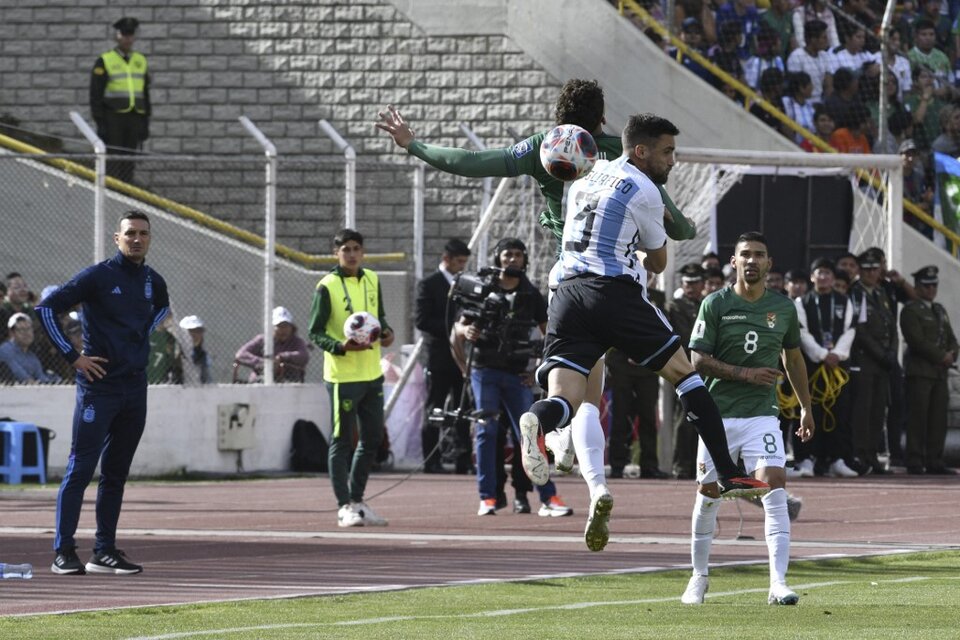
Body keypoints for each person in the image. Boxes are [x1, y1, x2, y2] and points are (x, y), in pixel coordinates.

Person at [377, 79, 699, 484]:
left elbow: (471, 162)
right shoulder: (620, 151)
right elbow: (678, 224)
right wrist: (682, 226)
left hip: (567, 279)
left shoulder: (543, 146)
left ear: (558, 117)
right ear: (601, 118)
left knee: (575, 377)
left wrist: (414, 144)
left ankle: (560, 433)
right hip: (619, 280)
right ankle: (584, 462)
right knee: (636, 380)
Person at [515, 114, 769, 553]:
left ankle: (539, 420)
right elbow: (657, 264)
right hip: (613, 293)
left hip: (568, 293)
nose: (673, 160)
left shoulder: (583, 177)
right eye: (667, 151)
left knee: (567, 398)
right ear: (641, 151)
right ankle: (727, 472)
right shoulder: (646, 190)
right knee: (686, 375)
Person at [680, 231, 814, 606]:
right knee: (709, 495)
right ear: (734, 262)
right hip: (716, 415)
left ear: (769, 264)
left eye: (759, 254)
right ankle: (699, 577)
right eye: (745, 255)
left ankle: (778, 583)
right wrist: (745, 374)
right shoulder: (715, 303)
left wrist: (806, 406)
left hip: (762, 416)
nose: (752, 260)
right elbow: (698, 360)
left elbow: (794, 358)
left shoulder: (784, 308)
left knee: (774, 488)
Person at [37, 210, 170, 575]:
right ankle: (63, 551)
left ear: (149, 238)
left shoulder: (152, 281)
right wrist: (73, 357)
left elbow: (162, 309)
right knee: (80, 468)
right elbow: (46, 309)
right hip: (99, 388)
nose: (137, 239)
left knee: (116, 473)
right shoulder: (97, 276)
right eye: (130, 234)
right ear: (117, 238)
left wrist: (142, 333)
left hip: (135, 387)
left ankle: (104, 550)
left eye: (143, 233)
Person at [453, 238, 571, 517]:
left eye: (518, 255)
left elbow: (550, 336)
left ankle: (548, 497)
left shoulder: (531, 295)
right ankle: (488, 498)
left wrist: (536, 371)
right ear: (498, 257)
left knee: (530, 433)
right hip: (485, 370)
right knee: (486, 431)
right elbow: (457, 330)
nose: (512, 260)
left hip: (518, 373)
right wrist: (465, 338)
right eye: (507, 254)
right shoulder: (483, 289)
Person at [308, 229, 395, 528]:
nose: (352, 254)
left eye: (357, 248)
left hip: (372, 372)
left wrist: (386, 332)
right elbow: (314, 331)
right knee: (342, 440)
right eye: (346, 249)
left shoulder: (372, 278)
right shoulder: (327, 286)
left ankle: (357, 500)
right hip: (343, 376)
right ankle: (343, 505)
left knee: (372, 438)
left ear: (363, 251)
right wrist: (339, 346)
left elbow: (379, 318)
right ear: (336, 253)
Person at [793, 258, 860, 477]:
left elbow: (850, 330)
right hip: (812, 368)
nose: (823, 277)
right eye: (819, 273)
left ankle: (836, 459)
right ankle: (806, 459)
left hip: (837, 368)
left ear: (833, 278)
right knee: (810, 411)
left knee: (839, 412)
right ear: (812, 277)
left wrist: (836, 355)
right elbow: (802, 333)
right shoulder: (802, 302)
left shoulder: (844, 300)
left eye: (827, 273)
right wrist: (822, 355)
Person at [415, 238, 472, 474]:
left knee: (464, 408)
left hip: (462, 359)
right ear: (446, 259)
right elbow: (422, 320)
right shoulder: (429, 285)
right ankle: (432, 459)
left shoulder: (466, 284)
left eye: (464, 262)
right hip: (438, 357)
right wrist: (455, 327)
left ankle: (463, 460)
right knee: (435, 408)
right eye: (459, 262)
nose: (462, 267)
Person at [899, 266, 958, 474]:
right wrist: (941, 356)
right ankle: (915, 459)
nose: (931, 289)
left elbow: (951, 338)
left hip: (939, 373)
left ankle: (935, 459)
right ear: (917, 287)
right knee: (918, 417)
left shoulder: (939, 309)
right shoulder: (911, 310)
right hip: (920, 371)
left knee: (938, 418)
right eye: (926, 285)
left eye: (934, 285)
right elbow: (916, 340)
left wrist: (952, 353)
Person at [846, 248, 897, 474]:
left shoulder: (881, 293)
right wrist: (881, 354)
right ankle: (861, 455)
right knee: (863, 410)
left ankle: (873, 454)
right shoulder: (856, 293)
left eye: (875, 269)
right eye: (866, 269)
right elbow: (861, 330)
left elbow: (891, 325)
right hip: (865, 359)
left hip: (883, 361)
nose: (871, 273)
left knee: (878, 411)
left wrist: (892, 352)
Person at [90, 17, 151, 183]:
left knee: (129, 160)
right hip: (113, 117)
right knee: (113, 160)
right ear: (117, 35)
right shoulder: (105, 60)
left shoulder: (140, 60)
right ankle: (111, 193)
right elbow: (96, 94)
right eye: (124, 34)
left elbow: (145, 93)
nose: (127, 38)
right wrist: (101, 123)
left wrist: (145, 122)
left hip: (134, 116)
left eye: (130, 34)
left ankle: (126, 194)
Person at [667, 263, 706, 479]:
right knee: (684, 418)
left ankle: (697, 465)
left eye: (696, 282)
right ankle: (681, 465)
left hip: (706, 368)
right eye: (687, 283)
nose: (691, 287)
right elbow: (683, 335)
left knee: (704, 418)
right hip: (683, 368)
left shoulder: (706, 304)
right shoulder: (675, 306)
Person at [235, 306, 311, 383]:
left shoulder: (297, 341)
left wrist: (282, 357)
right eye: (279, 326)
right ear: (271, 327)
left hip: (288, 382)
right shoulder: (262, 340)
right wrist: (264, 363)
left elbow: (304, 355)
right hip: (259, 381)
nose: (284, 330)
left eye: (286, 326)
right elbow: (241, 354)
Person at [0, 313, 60, 383]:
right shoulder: (5, 350)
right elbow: (21, 376)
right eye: (21, 329)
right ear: (12, 333)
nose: (27, 333)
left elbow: (41, 377)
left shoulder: (32, 356)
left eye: (29, 329)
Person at [786, 20, 833, 103]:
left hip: (820, 102)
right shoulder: (796, 56)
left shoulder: (825, 56)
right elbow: (794, 88)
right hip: (800, 103)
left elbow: (828, 85)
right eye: (824, 37)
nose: (827, 41)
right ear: (813, 39)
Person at [147, 314, 180, 384]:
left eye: (167, 317)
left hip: (161, 378)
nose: (163, 320)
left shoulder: (170, 337)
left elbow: (170, 359)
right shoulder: (147, 333)